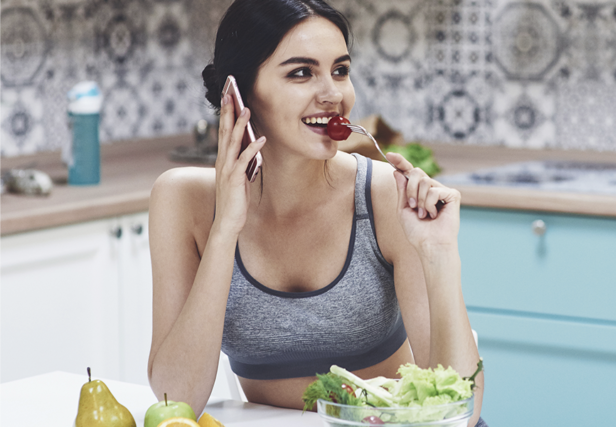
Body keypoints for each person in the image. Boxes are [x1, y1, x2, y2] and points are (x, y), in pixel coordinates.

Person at [146, 0, 485, 425]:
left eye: (340, 70)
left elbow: (461, 413)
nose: (334, 94)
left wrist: (439, 254)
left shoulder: (382, 195)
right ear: (240, 93)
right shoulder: (184, 201)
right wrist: (225, 228)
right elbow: (172, 398)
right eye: (301, 72)